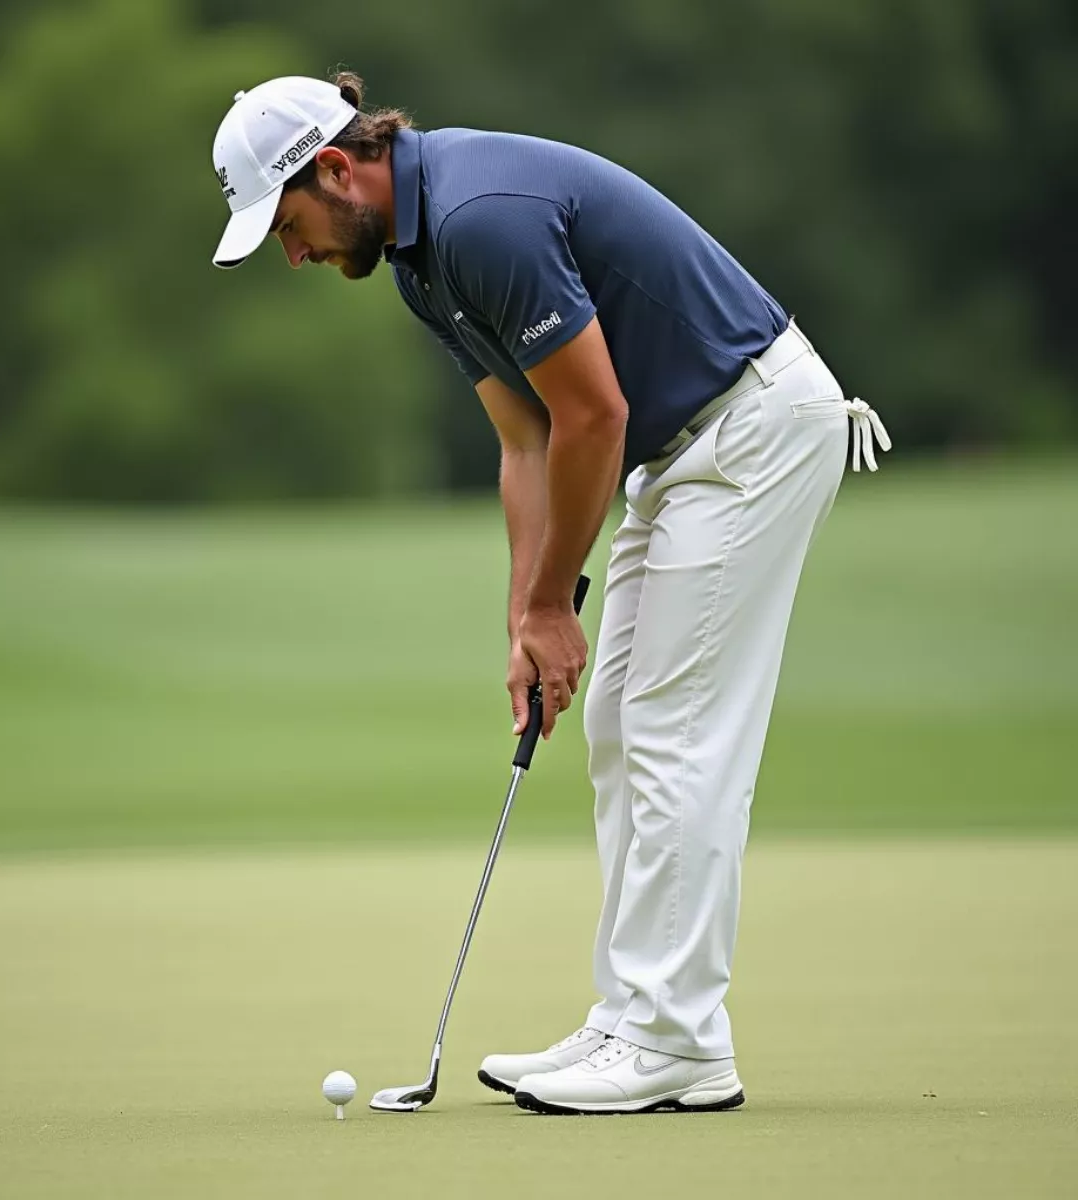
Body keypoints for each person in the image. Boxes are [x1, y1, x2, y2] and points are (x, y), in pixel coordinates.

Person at [209, 71, 889, 1116]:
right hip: (681, 451)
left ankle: (676, 1040)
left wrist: (550, 607)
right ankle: (635, 1018)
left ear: (337, 170)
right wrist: (530, 617)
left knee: (674, 729)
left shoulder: (481, 221)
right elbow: (524, 441)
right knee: (622, 721)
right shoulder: (417, 262)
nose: (293, 255)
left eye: (289, 226)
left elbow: (592, 419)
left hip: (751, 428)